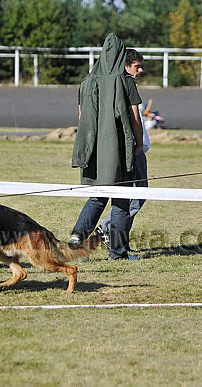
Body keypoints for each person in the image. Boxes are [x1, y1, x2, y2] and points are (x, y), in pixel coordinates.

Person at [70, 34, 144, 260]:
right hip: (119, 150)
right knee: (121, 199)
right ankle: (118, 252)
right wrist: (138, 144)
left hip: (94, 149)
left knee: (98, 196)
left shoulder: (86, 82)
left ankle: (77, 237)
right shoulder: (125, 81)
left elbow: (81, 118)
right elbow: (134, 119)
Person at [95, 49, 149, 251]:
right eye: (137, 65)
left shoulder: (125, 85)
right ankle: (108, 230)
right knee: (132, 199)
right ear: (126, 66)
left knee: (136, 198)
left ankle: (115, 237)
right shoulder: (126, 85)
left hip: (138, 150)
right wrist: (137, 145)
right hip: (133, 151)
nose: (140, 69)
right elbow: (134, 119)